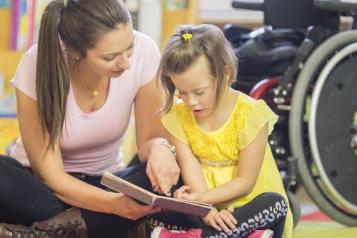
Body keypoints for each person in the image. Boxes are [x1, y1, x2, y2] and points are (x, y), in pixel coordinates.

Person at [0, 0, 180, 237]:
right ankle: (96, 225)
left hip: (107, 181)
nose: (125, 63)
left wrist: (160, 147)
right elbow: (51, 176)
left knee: (169, 176)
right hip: (43, 187)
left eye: (129, 48)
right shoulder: (37, 62)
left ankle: (49, 231)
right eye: (109, 57)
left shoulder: (146, 51)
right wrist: (113, 206)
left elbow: (150, 139)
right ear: (74, 52)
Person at [149, 24, 294, 238]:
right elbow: (190, 167)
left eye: (199, 92)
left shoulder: (251, 114)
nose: (191, 102)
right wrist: (205, 209)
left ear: (225, 74)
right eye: (182, 93)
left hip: (246, 208)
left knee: (276, 204)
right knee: (157, 210)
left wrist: (201, 200)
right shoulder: (177, 116)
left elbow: (245, 182)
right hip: (206, 210)